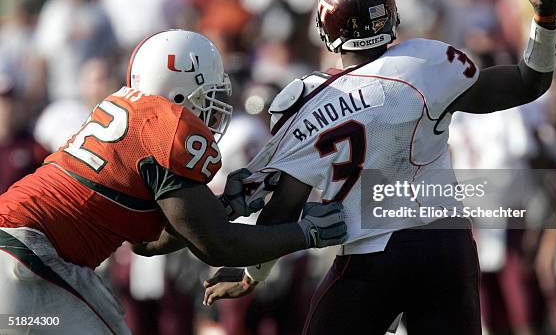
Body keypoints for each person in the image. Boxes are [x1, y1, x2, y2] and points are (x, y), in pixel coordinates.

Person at [203, 0, 556, 335]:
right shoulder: (427, 63)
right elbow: (528, 83)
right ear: (390, 16)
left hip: (370, 257)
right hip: (445, 246)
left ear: (325, 28)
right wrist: (544, 17)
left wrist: (254, 274)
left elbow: (284, 210)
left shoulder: (308, 99)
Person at [0, 30, 346, 335]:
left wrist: (220, 207)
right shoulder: (167, 128)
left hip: (20, 250)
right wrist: (306, 233)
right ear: (180, 93)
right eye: (207, 95)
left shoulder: (128, 111)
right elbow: (217, 246)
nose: (213, 110)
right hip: (29, 255)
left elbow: (146, 243)